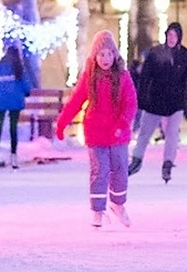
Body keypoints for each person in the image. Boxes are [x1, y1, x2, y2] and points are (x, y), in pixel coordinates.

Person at [55, 31, 137, 227]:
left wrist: (123, 123)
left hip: (118, 133)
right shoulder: (89, 77)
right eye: (101, 55)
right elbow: (76, 101)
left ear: (115, 55)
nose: (105, 59)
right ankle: (98, 210)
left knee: (119, 170)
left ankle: (118, 205)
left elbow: (131, 102)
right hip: (95, 132)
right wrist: (62, 123)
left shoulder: (123, 77)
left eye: (109, 54)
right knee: (99, 171)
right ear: (94, 56)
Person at [128, 22, 187, 183]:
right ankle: (136, 160)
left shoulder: (185, 55)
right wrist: (141, 97)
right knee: (144, 133)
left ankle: (168, 162)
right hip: (155, 100)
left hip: (175, 102)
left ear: (179, 37)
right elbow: (145, 77)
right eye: (169, 35)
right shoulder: (155, 53)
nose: (171, 38)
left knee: (172, 133)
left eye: (174, 35)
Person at [0, 45, 33, 169]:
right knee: (13, 128)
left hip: (0, 101)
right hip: (15, 101)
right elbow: (27, 86)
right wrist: (25, 92)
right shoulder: (19, 70)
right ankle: (14, 157)